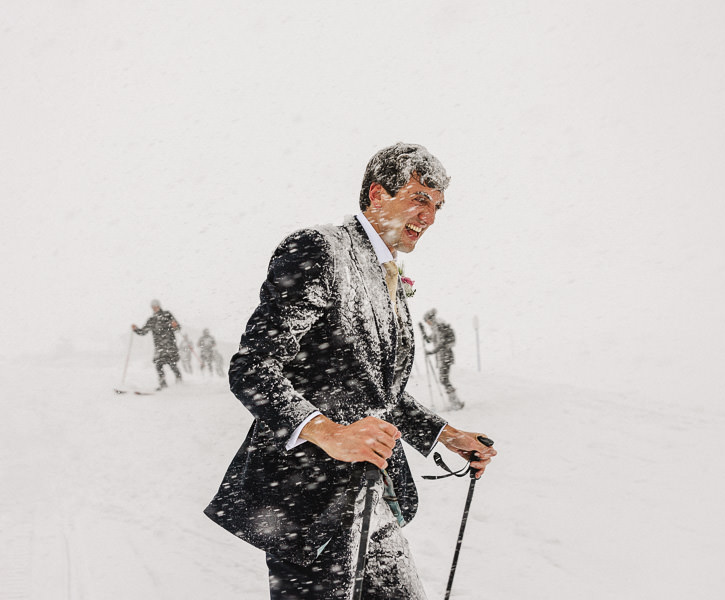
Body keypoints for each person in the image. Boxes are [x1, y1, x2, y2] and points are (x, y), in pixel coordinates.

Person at [204, 143, 496, 599]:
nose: (430, 217)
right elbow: (253, 369)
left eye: (437, 207)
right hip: (306, 504)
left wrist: (446, 435)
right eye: (419, 199)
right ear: (378, 194)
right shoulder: (320, 249)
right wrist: (328, 432)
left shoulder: (388, 274)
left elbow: (376, 393)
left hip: (372, 498)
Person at [131, 299, 182, 390]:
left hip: (169, 344)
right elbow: (143, 332)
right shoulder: (152, 320)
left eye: (156, 306)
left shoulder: (167, 315)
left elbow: (177, 328)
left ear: (159, 306)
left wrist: (175, 325)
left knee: (171, 363)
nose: (155, 308)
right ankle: (163, 384)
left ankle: (179, 381)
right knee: (159, 365)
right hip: (159, 347)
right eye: (153, 307)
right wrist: (136, 329)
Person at [420, 309, 464, 410]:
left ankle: (456, 402)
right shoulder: (436, 328)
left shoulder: (439, 327)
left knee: (444, 379)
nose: (427, 323)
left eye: (427, 321)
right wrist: (422, 331)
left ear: (431, 319)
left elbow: (441, 343)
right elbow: (428, 340)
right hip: (443, 357)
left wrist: (431, 352)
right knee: (444, 379)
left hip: (445, 357)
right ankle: (455, 401)